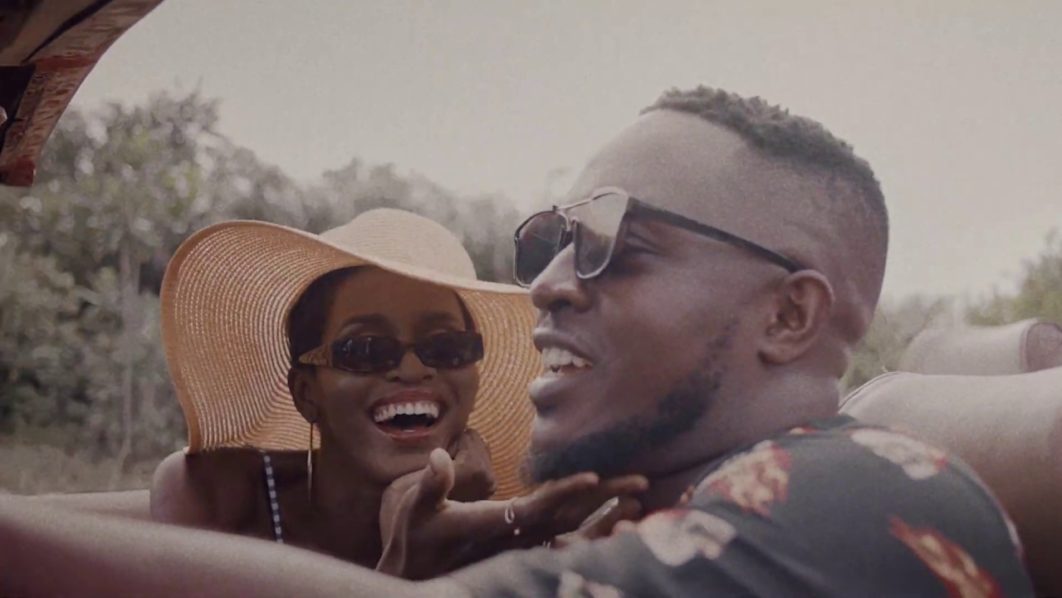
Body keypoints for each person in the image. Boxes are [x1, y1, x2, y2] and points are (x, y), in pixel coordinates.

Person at [0, 87, 1034, 596]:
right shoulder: (625, 514)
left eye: (611, 244)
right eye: (548, 242)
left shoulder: (865, 496)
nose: (543, 285)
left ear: (790, 316)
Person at [150, 208, 647, 570]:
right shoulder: (221, 497)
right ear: (306, 392)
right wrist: (405, 576)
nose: (412, 369)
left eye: (446, 346)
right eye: (366, 349)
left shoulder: (507, 530)